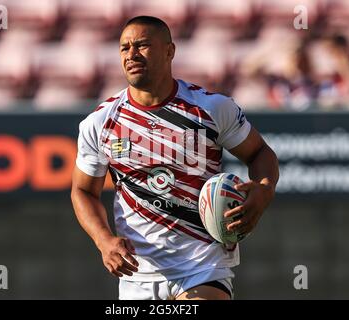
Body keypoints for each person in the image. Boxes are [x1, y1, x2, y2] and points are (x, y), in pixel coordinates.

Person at [71, 16, 279, 300]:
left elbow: (259, 153)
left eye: (142, 45)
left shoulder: (211, 108)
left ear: (170, 51)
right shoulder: (100, 122)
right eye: (124, 47)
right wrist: (103, 239)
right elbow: (83, 190)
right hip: (138, 274)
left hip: (203, 266)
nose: (131, 54)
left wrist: (265, 189)